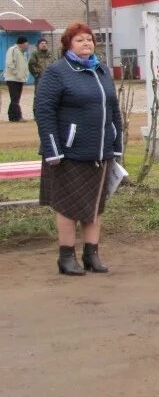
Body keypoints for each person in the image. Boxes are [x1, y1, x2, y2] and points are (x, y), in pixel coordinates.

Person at [34, 22, 123, 276]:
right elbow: (44, 110)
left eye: (89, 40)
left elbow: (113, 109)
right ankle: (66, 256)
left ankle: (91, 254)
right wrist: (53, 149)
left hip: (99, 151)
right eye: (79, 40)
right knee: (68, 206)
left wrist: (116, 143)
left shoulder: (102, 70)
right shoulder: (57, 72)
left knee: (96, 206)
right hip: (68, 153)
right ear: (68, 45)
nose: (86, 44)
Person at [4, 36, 29, 122]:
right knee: (15, 98)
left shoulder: (23, 52)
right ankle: (18, 116)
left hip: (19, 79)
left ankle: (11, 116)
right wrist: (16, 73)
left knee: (15, 98)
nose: (27, 45)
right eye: (26, 43)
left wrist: (24, 76)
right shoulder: (13, 49)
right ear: (21, 43)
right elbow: (9, 63)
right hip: (12, 78)